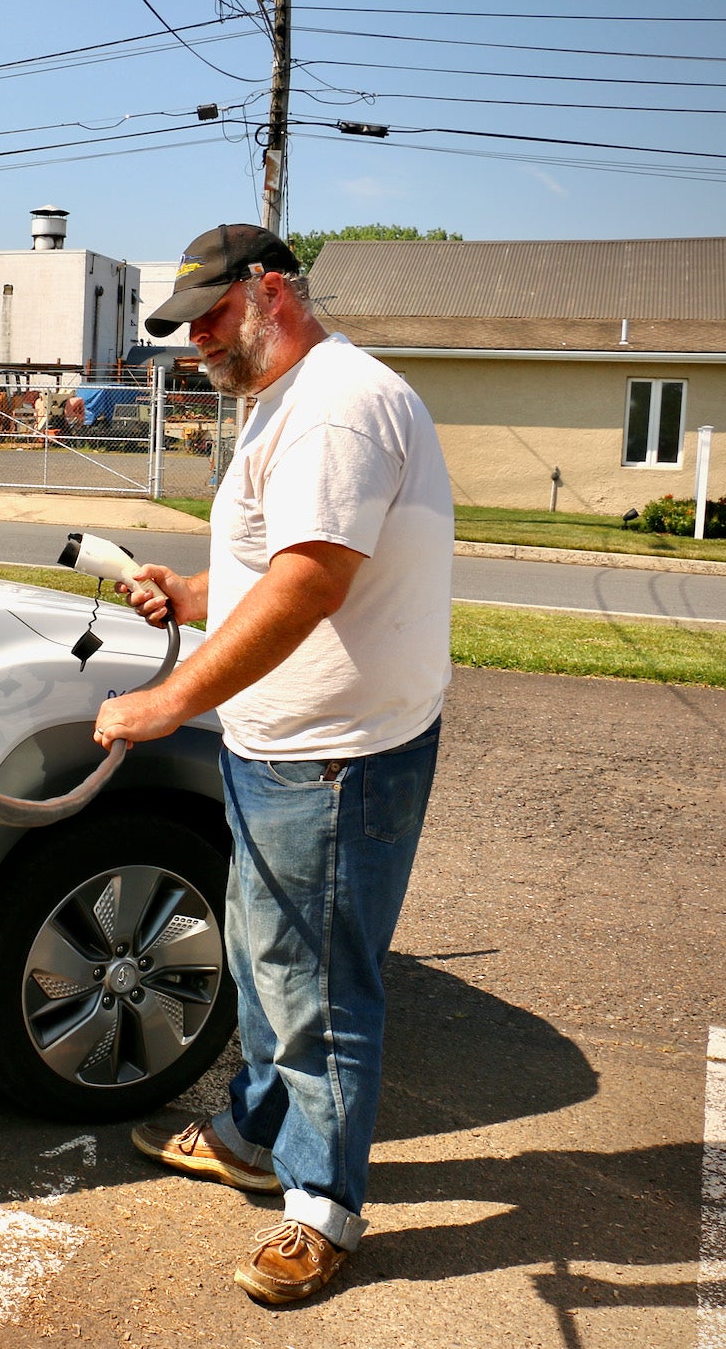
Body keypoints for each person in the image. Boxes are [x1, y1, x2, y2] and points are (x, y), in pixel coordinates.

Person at [93, 223, 453, 1305]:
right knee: (263, 955)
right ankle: (255, 1130)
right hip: (282, 747)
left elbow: (311, 583)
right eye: (183, 321)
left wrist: (168, 698)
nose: (195, 337)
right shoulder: (286, 403)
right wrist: (193, 592)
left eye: (209, 313)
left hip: (336, 758)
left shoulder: (337, 404)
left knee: (320, 985)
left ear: (272, 289)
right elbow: (272, 561)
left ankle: (322, 1207)